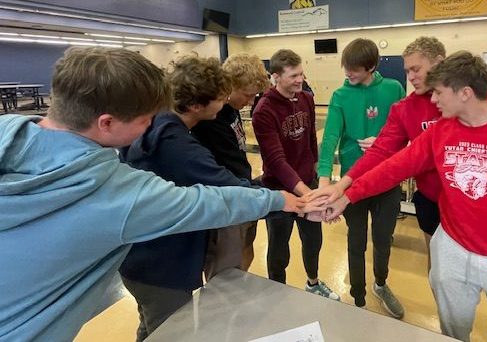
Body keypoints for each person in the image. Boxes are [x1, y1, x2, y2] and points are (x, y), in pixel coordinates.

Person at [0, 47, 317, 341]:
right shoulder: (117, 194)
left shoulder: (10, 135)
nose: (153, 125)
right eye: (145, 120)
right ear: (106, 123)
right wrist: (281, 199)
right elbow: (205, 202)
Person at [311, 51, 487, 342]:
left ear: (466, 93)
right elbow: (393, 167)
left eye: (440, 92)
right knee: (453, 332)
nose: (433, 100)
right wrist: (346, 195)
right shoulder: (441, 132)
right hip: (454, 248)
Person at [117, 55, 264, 341]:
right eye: (220, 99)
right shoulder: (177, 144)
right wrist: (286, 202)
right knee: (172, 332)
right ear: (197, 105)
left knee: (151, 328)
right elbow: (226, 186)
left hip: (141, 258)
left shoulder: (157, 124)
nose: (225, 105)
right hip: (161, 266)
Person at [317, 38, 406, 315]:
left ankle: (380, 283)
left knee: (382, 240)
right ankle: (357, 297)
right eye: (346, 68)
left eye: (354, 69)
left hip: (386, 181)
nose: (348, 74)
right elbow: (330, 137)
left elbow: (404, 131)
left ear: (370, 67)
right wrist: (324, 181)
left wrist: (382, 140)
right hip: (351, 184)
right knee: (355, 242)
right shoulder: (340, 96)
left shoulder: (393, 89)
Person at [252, 49, 339, 300]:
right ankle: (276, 293)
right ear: (276, 76)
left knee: (313, 241)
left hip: (307, 183)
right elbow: (276, 161)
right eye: (293, 76)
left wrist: (317, 175)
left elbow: (312, 139)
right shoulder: (264, 111)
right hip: (280, 190)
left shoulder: (306, 99)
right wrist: (307, 194)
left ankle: (313, 282)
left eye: (301, 73)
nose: (300, 80)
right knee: (279, 249)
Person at [191, 53, 270, 274]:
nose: (251, 102)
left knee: (247, 253)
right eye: (248, 95)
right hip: (228, 199)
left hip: (243, 191)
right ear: (230, 87)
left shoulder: (232, 109)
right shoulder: (212, 118)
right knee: (227, 271)